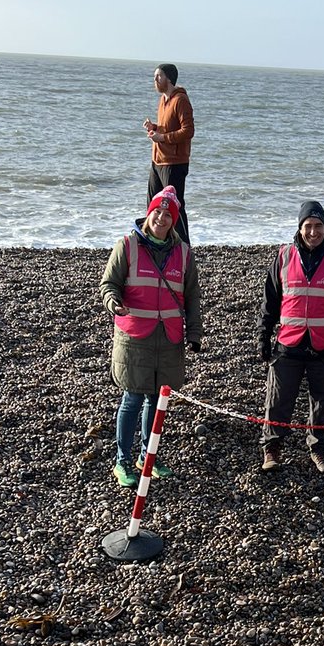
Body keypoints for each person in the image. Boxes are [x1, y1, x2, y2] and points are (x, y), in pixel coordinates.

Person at [99, 186, 202, 488]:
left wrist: (194, 331)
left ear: (174, 221)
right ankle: (122, 461)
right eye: (157, 211)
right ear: (149, 213)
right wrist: (112, 303)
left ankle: (148, 457)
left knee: (156, 401)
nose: (161, 218)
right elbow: (109, 284)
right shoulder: (128, 246)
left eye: (168, 215)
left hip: (168, 338)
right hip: (135, 337)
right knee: (132, 398)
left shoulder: (183, 253)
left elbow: (192, 295)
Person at [257, 200, 324, 474]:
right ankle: (272, 448)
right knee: (278, 399)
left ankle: (318, 450)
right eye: (308, 226)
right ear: (300, 228)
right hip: (289, 343)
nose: (313, 232)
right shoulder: (283, 256)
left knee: (321, 401)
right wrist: (264, 336)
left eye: (318, 226)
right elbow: (270, 301)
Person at [143, 64, 194, 243]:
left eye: (158, 76)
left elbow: (188, 131)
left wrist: (162, 137)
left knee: (174, 206)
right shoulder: (163, 100)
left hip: (174, 163)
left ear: (169, 79)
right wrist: (155, 128)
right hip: (157, 161)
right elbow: (167, 127)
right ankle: (152, 242)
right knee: (153, 204)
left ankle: (184, 248)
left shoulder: (181, 100)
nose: (155, 80)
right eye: (155, 76)